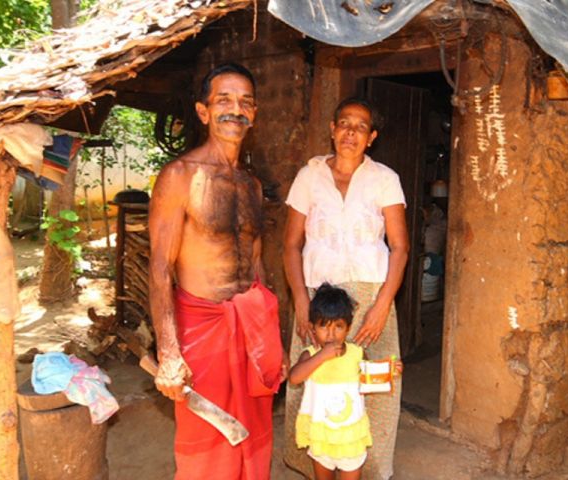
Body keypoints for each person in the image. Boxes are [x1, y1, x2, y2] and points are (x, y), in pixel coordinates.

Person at [148, 63, 284, 480]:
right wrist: (168, 351)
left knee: (255, 434)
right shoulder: (179, 176)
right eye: (223, 100)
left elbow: (256, 259)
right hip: (201, 328)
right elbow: (159, 268)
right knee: (207, 442)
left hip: (249, 327)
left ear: (255, 114)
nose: (235, 110)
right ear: (203, 112)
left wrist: (265, 328)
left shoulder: (251, 185)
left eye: (245, 102)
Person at [283, 97, 409, 480]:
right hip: (316, 298)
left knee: (375, 382)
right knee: (314, 376)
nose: (351, 132)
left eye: (360, 126)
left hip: (371, 293)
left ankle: (366, 469)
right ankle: (315, 463)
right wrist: (301, 302)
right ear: (333, 129)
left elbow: (399, 246)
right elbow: (290, 245)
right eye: (344, 123)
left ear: (371, 137)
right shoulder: (309, 177)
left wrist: (383, 303)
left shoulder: (384, 179)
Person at [289, 284, 403, 480]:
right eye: (323, 325)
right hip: (321, 436)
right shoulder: (310, 354)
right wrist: (322, 356)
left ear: (348, 328)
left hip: (351, 437)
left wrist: (387, 372)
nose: (331, 334)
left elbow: (365, 385)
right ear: (313, 328)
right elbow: (294, 377)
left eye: (338, 326)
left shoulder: (357, 354)